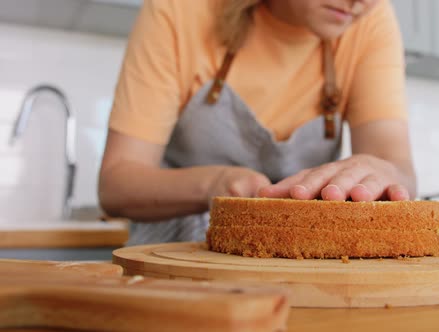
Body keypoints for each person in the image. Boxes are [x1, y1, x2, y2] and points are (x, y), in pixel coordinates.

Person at [98, 0, 416, 245]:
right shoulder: (181, 10)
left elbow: (396, 166)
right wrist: (219, 185)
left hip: (297, 267)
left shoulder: (369, 22)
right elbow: (115, 185)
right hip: (168, 258)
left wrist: (384, 172)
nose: (361, 2)